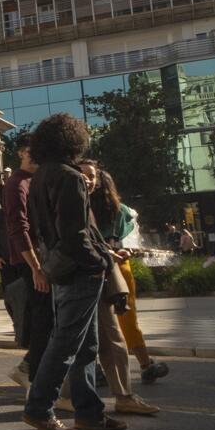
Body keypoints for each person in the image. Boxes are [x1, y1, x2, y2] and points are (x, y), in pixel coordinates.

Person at [19, 114, 121, 430]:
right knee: (66, 343)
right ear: (73, 142)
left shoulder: (38, 178)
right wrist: (98, 262)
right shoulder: (70, 176)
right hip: (79, 271)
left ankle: (89, 411)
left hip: (58, 268)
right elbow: (76, 234)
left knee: (85, 344)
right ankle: (39, 408)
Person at [81, 161, 165, 410]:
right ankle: (145, 365)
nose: (88, 181)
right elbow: (128, 236)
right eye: (84, 176)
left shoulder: (83, 206)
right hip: (116, 269)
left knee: (104, 326)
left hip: (103, 269)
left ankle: (105, 375)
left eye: (91, 176)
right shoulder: (121, 211)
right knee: (123, 321)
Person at [0, 135, 50, 387]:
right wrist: (35, 266)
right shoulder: (16, 183)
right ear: (20, 153)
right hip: (30, 261)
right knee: (42, 317)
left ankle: (31, 367)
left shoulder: (34, 181)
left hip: (41, 258)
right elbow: (18, 227)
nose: (35, 156)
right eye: (30, 151)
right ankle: (31, 370)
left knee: (46, 317)